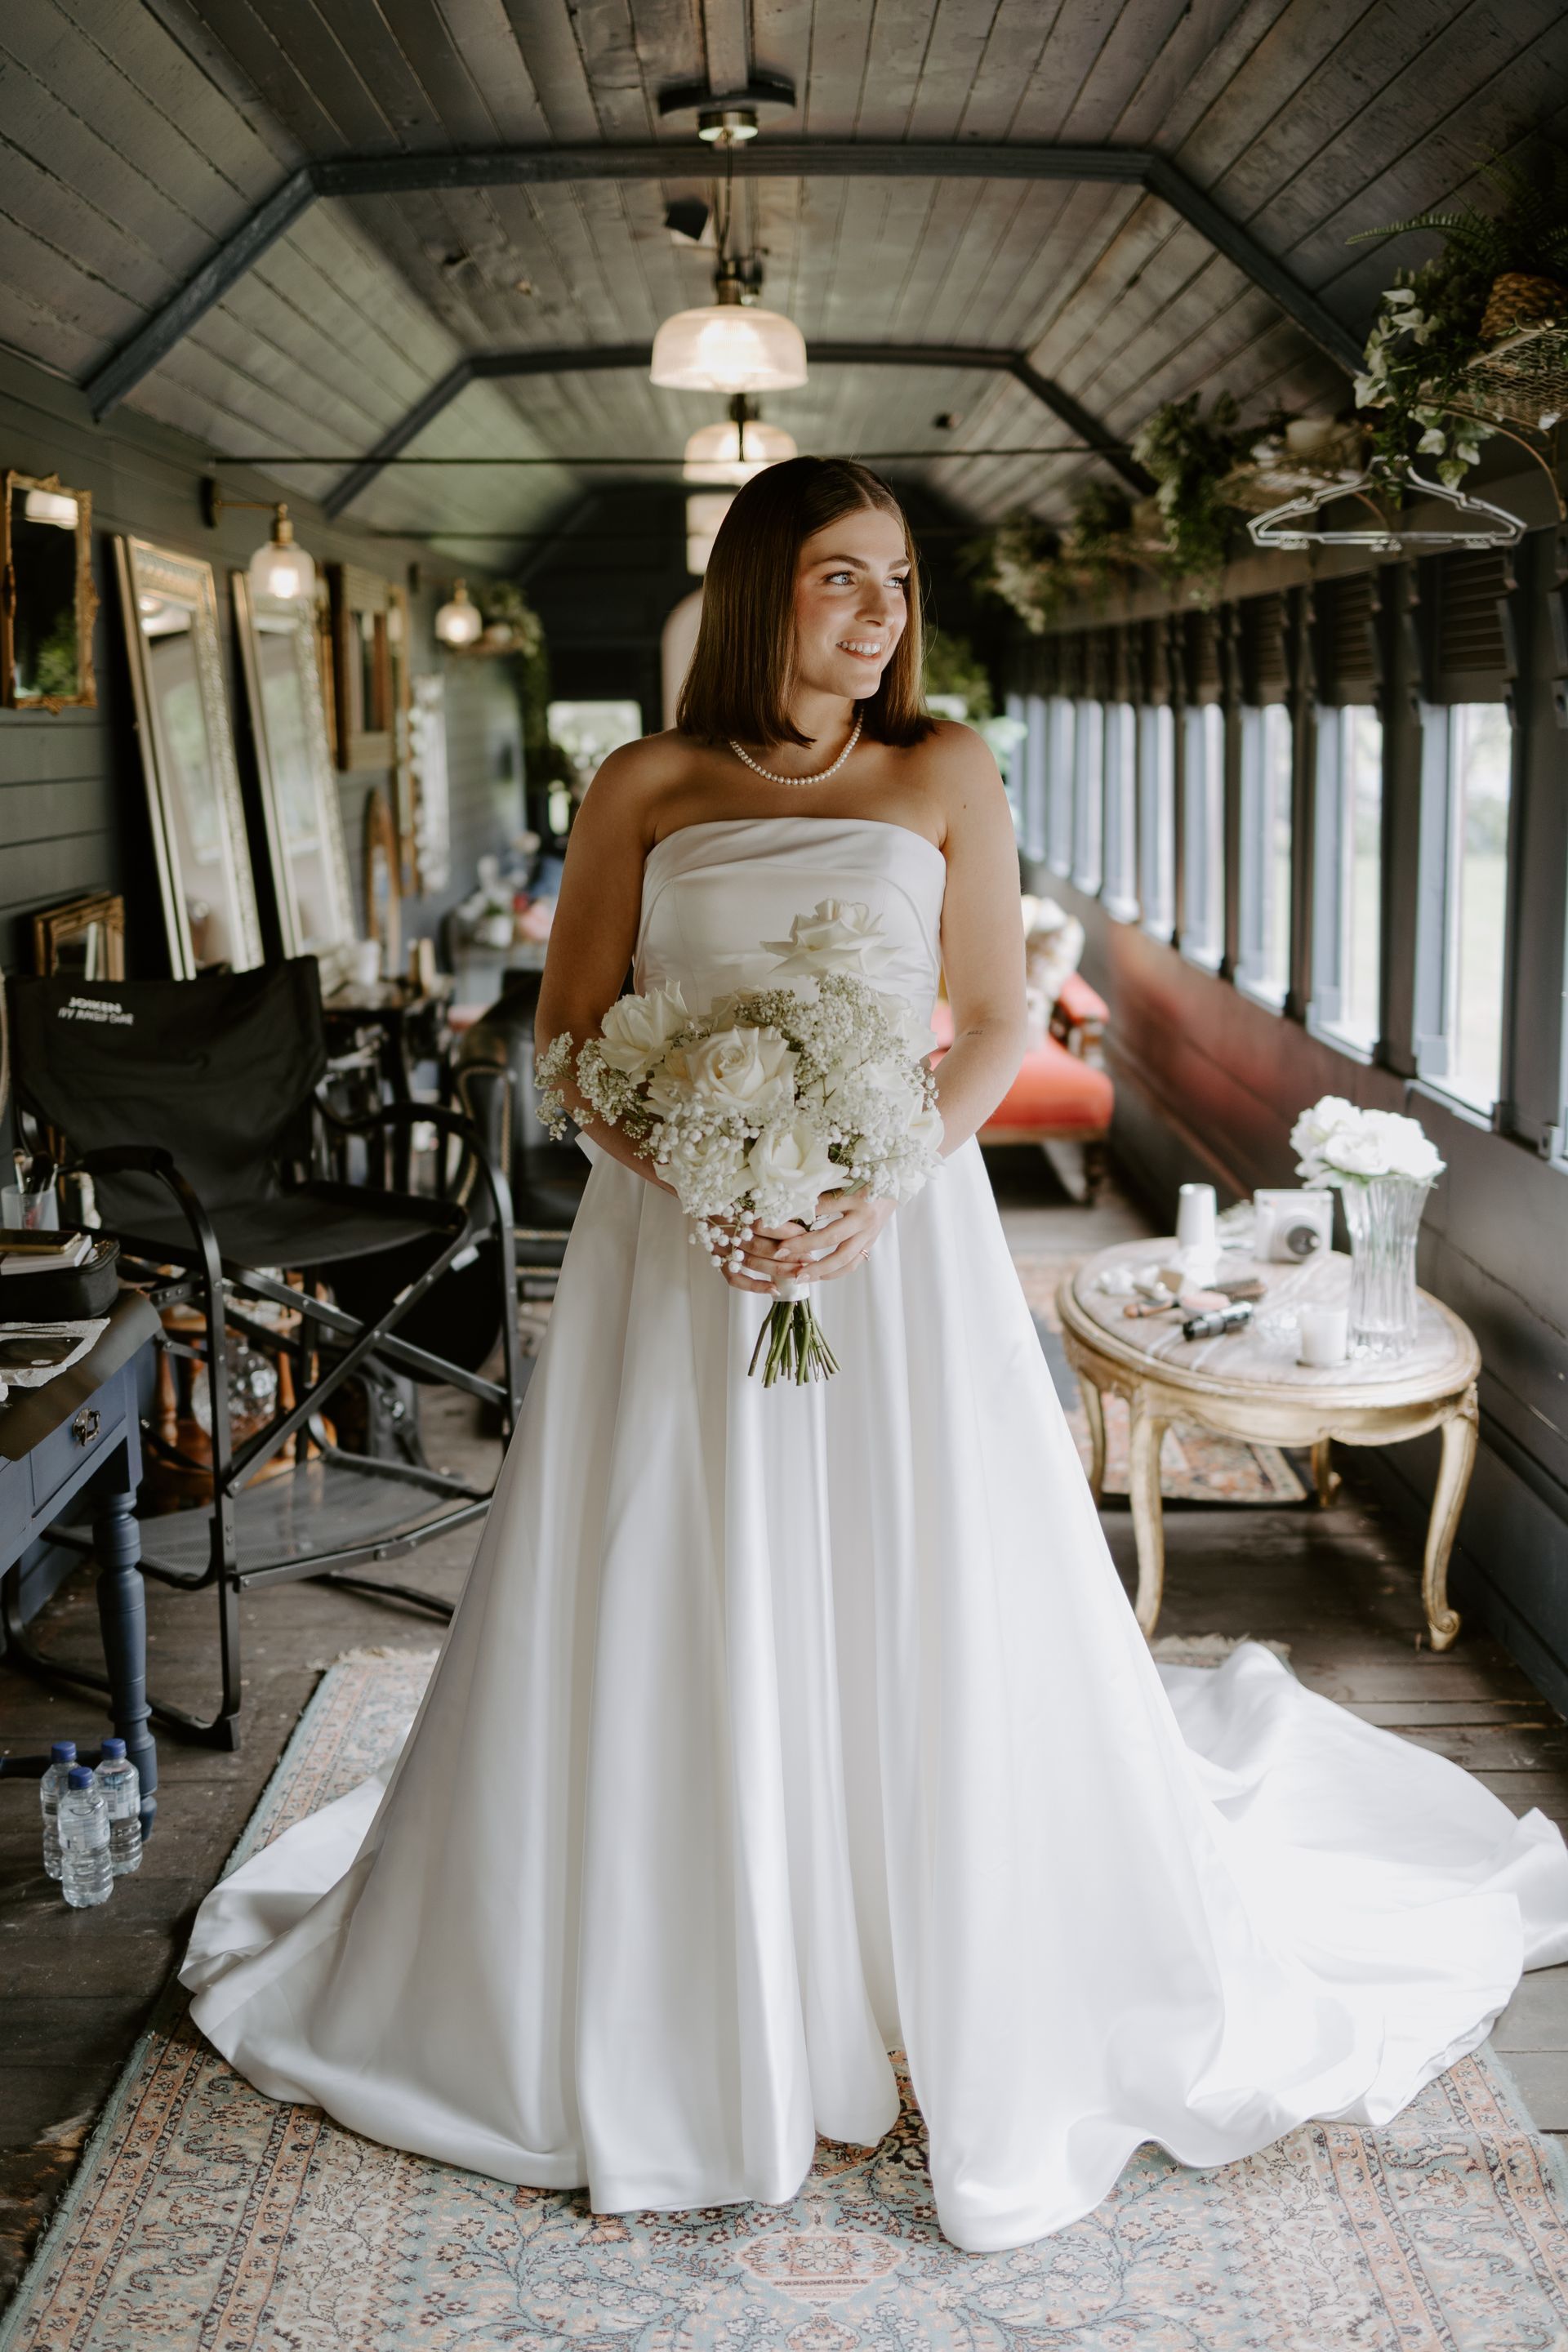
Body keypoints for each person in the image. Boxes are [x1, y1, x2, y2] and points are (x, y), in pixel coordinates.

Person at [181, 457, 1568, 2256]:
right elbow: (572, 1031)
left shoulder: (948, 769)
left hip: (894, 1250)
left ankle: (935, 1950)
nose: (881, 614)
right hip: (670, 1257)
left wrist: (864, 1192)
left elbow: (991, 1019)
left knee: (920, 1574)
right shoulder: (646, 782)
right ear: (765, 591)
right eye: (842, 579)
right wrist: (692, 1167)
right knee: (670, 1571)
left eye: (897, 581)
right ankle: (681, 1979)